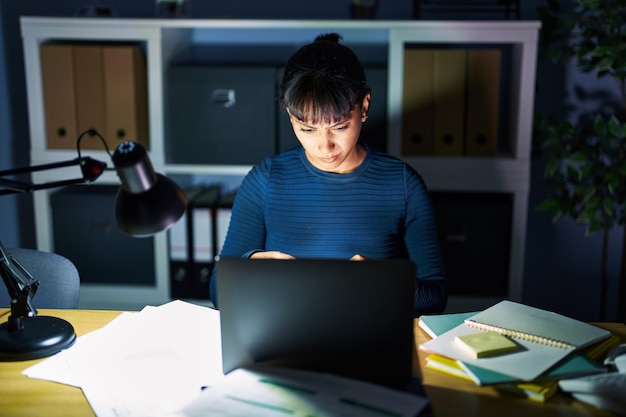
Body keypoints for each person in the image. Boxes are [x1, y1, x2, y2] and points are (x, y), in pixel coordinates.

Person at [210, 33, 447, 316]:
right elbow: (217, 291)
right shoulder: (265, 180)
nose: (325, 146)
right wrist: (252, 265)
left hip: (368, 334)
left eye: (340, 127)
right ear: (289, 114)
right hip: (286, 333)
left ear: (365, 106)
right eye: (307, 130)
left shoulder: (402, 183)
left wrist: (386, 282)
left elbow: (436, 296)